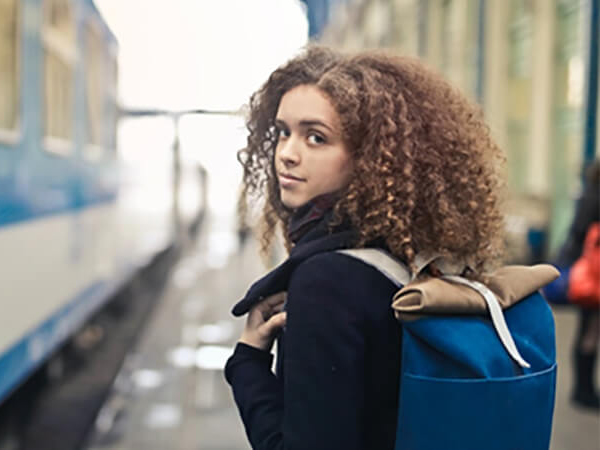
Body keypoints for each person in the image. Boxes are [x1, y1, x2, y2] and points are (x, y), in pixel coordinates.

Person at [224, 46, 506, 449]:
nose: (286, 153)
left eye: (316, 137)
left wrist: (248, 361)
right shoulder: (404, 253)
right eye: (283, 131)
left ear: (369, 157)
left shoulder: (326, 282)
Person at [557, 159, 600, 410]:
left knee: (588, 329)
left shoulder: (588, 194)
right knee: (590, 331)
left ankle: (583, 388)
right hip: (593, 274)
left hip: (589, 271)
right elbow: (582, 231)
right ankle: (583, 390)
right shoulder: (594, 198)